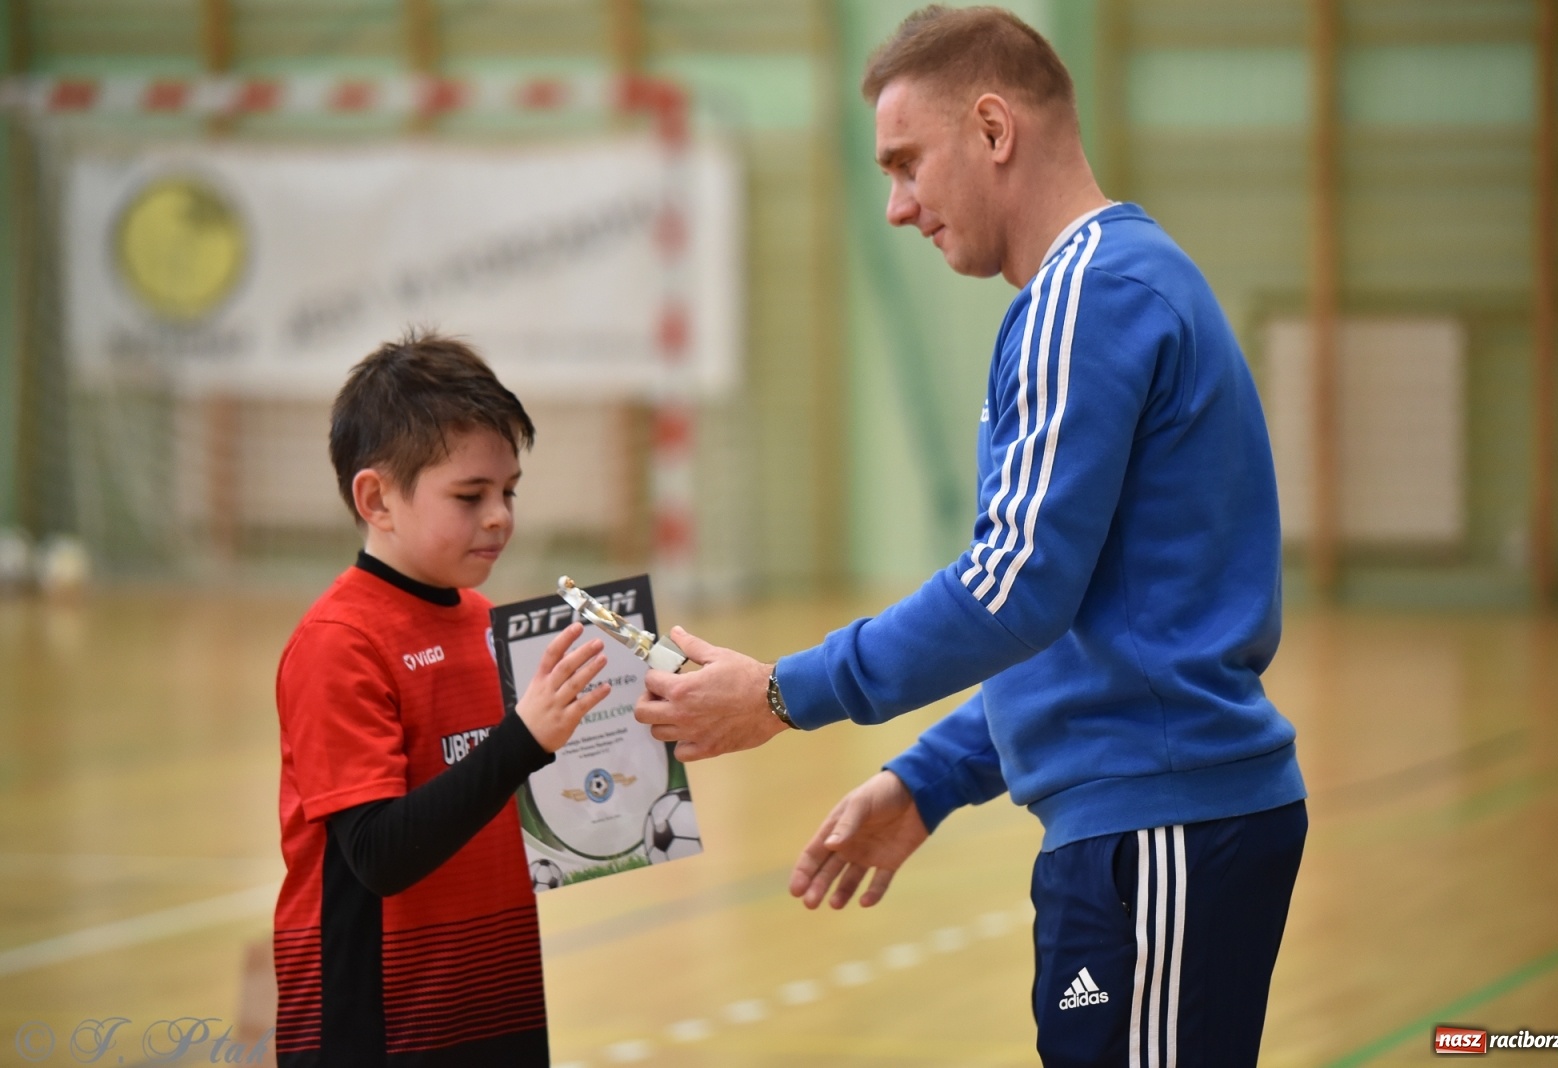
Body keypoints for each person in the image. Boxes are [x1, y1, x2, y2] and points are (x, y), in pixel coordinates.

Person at [635, 7, 1308, 1066]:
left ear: (993, 128)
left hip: (1160, 827)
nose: (897, 207)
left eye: (907, 164)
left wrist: (779, 694)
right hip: (1136, 825)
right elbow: (1092, 625)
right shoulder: (1106, 288)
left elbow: (1011, 592)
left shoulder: (1084, 297)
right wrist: (932, 777)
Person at [273, 331, 611, 1067]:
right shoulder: (340, 640)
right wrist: (525, 739)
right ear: (377, 498)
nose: (500, 515)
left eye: (509, 491)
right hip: (377, 1024)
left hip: (495, 996)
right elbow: (380, 855)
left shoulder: (490, 625)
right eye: (470, 495)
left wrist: (622, 746)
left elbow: (507, 797)